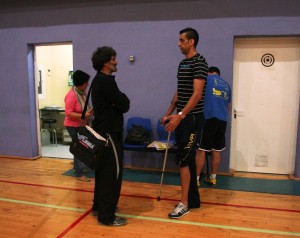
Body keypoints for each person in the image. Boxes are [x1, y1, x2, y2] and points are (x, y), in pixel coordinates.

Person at [162, 28, 208, 219]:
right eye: (179, 40)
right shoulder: (183, 64)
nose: (178, 43)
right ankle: (193, 200)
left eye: (182, 40)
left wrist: (180, 116)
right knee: (185, 159)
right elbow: (181, 91)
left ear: (191, 42)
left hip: (192, 119)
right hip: (182, 117)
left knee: (182, 160)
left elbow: (197, 94)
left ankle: (184, 204)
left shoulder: (200, 62)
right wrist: (169, 113)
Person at [91, 46, 130, 226]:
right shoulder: (106, 81)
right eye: (114, 59)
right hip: (109, 134)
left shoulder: (98, 80)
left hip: (102, 132)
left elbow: (118, 103)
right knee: (111, 175)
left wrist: (118, 102)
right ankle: (107, 216)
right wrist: (121, 100)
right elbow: (124, 103)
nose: (116, 62)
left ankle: (99, 207)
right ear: (106, 62)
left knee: (103, 172)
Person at [196, 66, 231, 186]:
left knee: (201, 150)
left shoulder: (206, 79)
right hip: (222, 120)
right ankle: (213, 178)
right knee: (217, 150)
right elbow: (228, 107)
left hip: (208, 118)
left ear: (209, 73)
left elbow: (197, 95)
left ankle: (195, 180)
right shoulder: (227, 85)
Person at [64, 70, 93, 182]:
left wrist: (89, 114)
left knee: (81, 147)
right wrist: (84, 115)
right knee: (79, 148)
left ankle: (77, 168)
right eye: (86, 82)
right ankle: (79, 173)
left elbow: (84, 108)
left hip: (81, 124)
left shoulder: (82, 93)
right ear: (81, 83)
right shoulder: (71, 95)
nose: (88, 84)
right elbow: (69, 113)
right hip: (72, 126)